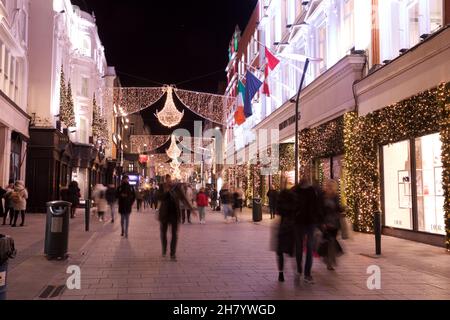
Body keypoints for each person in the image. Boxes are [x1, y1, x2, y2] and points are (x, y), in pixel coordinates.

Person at [291, 178, 322, 284]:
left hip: (310, 223)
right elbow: (291, 206)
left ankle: (307, 274)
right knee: (299, 247)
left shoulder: (313, 190)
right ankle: (299, 270)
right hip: (298, 223)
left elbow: (317, 206)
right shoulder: (295, 190)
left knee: (309, 247)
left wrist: (318, 221)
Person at [157, 174, 195, 261]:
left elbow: (183, 198)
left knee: (174, 234)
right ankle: (164, 249)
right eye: (167, 180)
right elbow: (158, 197)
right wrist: (166, 191)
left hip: (174, 214)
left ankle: (172, 254)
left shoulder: (176, 188)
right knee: (163, 233)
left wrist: (191, 208)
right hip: (164, 214)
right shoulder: (162, 187)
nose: (169, 182)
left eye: (170, 180)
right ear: (165, 180)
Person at [273, 183, 296, 282]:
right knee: (292, 252)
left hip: (283, 227)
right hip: (292, 228)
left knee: (280, 251)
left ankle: (281, 273)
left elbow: (278, 211)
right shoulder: (295, 198)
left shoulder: (281, 198)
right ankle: (296, 271)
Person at [320, 179, 344, 271]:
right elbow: (320, 210)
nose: (329, 187)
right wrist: (321, 222)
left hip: (334, 223)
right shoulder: (323, 197)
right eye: (328, 186)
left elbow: (338, 208)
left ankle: (330, 261)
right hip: (326, 223)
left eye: (331, 186)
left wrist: (342, 209)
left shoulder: (335, 197)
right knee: (328, 241)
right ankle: (328, 260)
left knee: (332, 241)